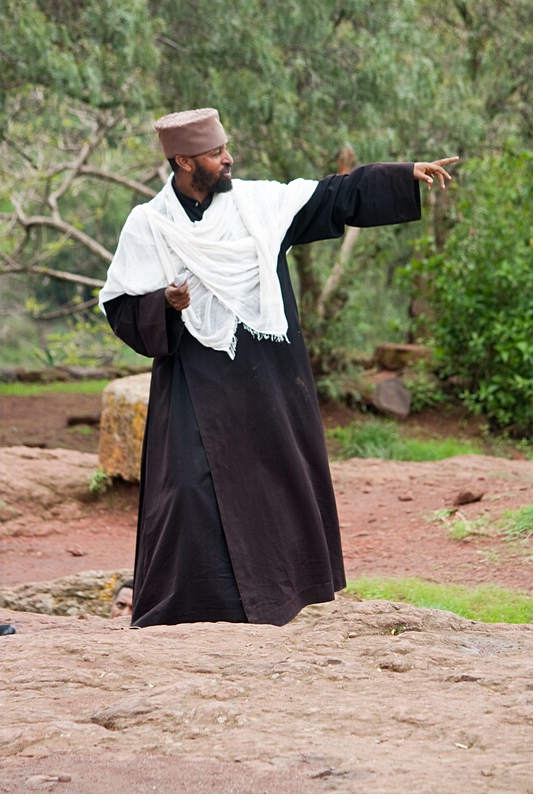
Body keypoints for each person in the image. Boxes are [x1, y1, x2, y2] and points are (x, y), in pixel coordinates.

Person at [99, 107, 457, 629]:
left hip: (265, 375)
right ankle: (192, 610)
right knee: (189, 491)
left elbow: (332, 195)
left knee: (275, 484)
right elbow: (121, 308)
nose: (229, 159)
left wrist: (403, 174)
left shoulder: (259, 205)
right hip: (194, 383)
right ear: (182, 161)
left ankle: (280, 599)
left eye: (227, 149)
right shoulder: (149, 225)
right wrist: (165, 305)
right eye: (217, 154)